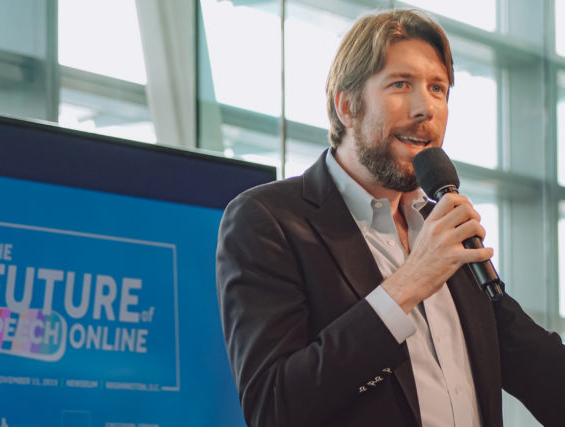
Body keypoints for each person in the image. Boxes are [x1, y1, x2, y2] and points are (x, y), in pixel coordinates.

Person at [215, 8, 565, 427]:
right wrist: (410, 281)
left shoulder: (445, 229)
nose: (425, 108)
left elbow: (540, 370)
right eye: (401, 84)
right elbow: (273, 407)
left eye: (437, 88)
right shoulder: (268, 220)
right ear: (347, 106)